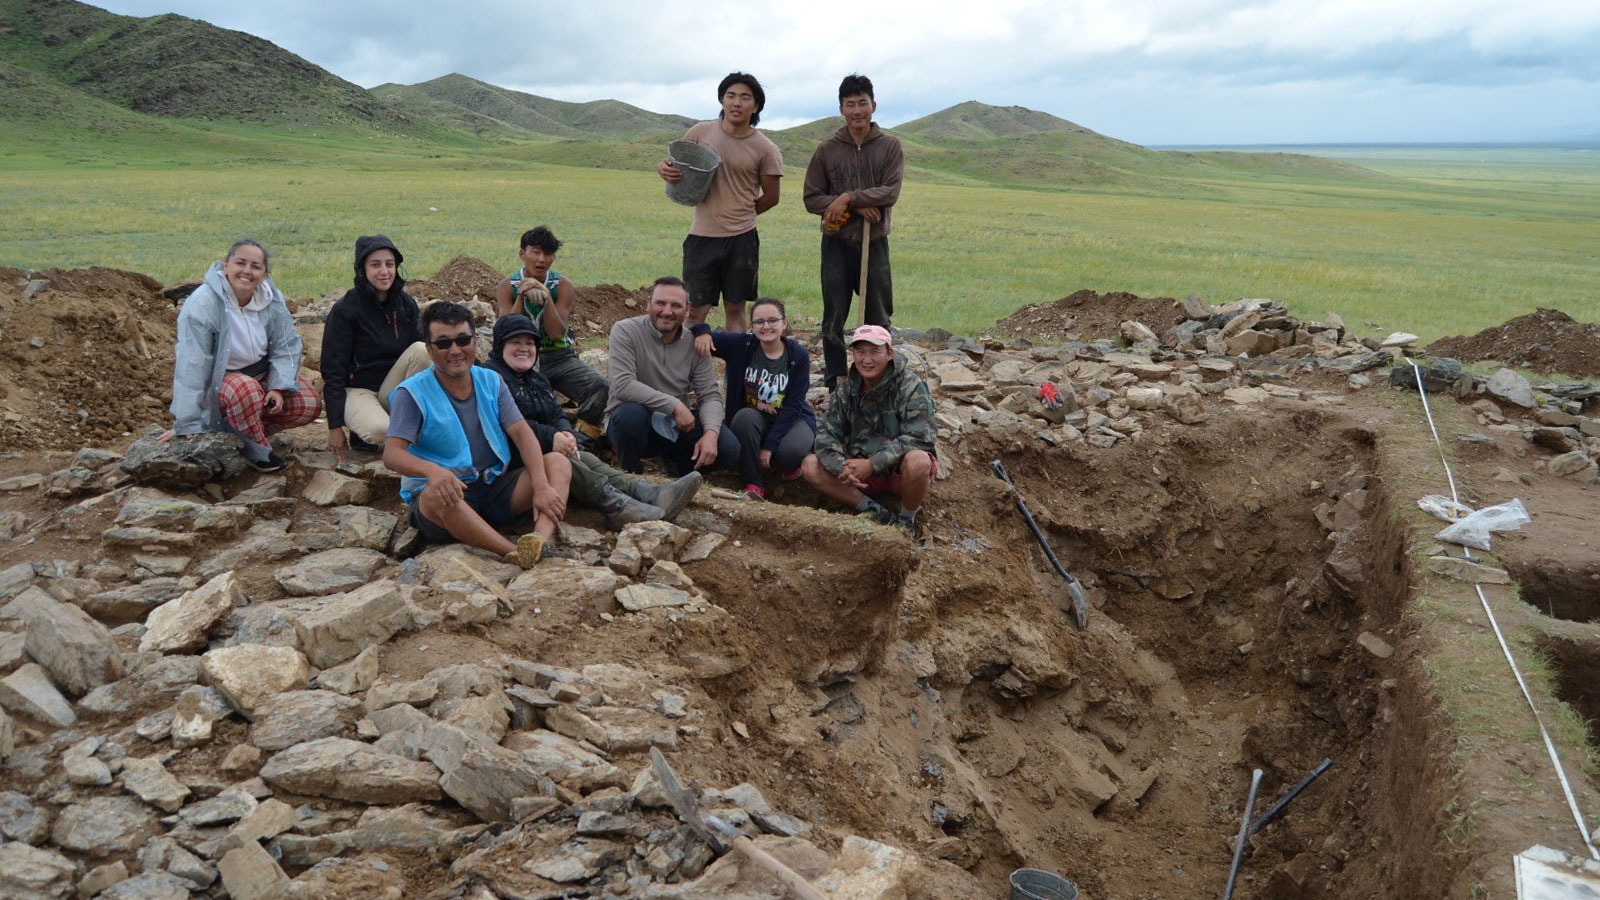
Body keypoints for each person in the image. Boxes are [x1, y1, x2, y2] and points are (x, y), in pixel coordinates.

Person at [383, 302, 571, 567]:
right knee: (435, 495)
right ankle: (514, 553)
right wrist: (432, 471)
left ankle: (539, 541)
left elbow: (522, 432)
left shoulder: (490, 380)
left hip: (492, 484)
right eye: (444, 343)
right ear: (429, 349)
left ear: (475, 341)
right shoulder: (411, 393)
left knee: (558, 463)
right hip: (448, 496)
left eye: (463, 340)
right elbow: (392, 454)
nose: (455, 350)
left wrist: (540, 486)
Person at [487, 314, 703, 529]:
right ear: (499, 346)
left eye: (530, 343)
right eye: (515, 342)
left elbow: (555, 414)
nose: (524, 348)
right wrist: (551, 437)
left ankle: (647, 492)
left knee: (584, 457)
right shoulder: (490, 378)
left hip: (537, 451)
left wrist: (565, 432)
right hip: (507, 467)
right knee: (564, 459)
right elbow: (511, 426)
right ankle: (616, 506)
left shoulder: (536, 379)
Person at [164, 239, 321, 472]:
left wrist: (278, 387)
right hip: (221, 382)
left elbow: (285, 345)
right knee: (245, 390)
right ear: (225, 265)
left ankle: (239, 432)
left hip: (259, 372)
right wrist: (188, 421)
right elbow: (193, 363)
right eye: (240, 263)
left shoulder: (271, 298)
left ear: (264, 274)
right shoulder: (203, 304)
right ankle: (256, 451)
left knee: (309, 403)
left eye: (255, 266)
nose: (247, 271)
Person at [656, 72, 782, 334]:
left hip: (742, 239)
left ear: (756, 106)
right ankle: (689, 361)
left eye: (745, 97)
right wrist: (663, 168)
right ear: (722, 100)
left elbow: (772, 197)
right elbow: (675, 162)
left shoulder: (765, 148)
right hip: (701, 236)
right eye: (730, 96)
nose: (737, 103)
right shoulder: (701, 132)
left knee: (735, 309)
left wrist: (742, 214)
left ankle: (734, 361)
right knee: (695, 310)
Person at [802, 74, 904, 388]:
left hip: (875, 242)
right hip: (836, 241)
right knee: (833, 315)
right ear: (841, 109)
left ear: (874, 105)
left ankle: (879, 378)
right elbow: (811, 198)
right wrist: (855, 206)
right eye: (850, 104)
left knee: (878, 315)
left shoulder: (889, 146)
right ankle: (837, 379)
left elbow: (890, 192)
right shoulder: (827, 149)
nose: (857, 110)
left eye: (862, 103)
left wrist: (848, 197)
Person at [801, 325, 937, 537]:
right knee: (810, 465)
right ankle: (875, 512)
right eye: (860, 352)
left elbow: (920, 437)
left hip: (897, 472)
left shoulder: (911, 386)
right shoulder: (846, 390)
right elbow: (826, 434)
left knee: (919, 461)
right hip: (858, 473)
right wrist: (841, 467)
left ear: (889, 353)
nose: (867, 360)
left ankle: (906, 519)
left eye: (875, 352)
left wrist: (872, 464)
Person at [605, 277, 738, 477]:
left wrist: (711, 433)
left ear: (687, 309)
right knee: (629, 416)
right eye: (660, 303)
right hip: (636, 423)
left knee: (729, 448)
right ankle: (632, 477)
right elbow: (623, 385)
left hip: (676, 426)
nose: (667, 311)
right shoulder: (625, 330)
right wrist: (674, 405)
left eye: (676, 305)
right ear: (648, 303)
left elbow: (710, 395)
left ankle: (682, 474)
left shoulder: (695, 343)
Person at [492, 226, 609, 445]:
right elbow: (505, 332)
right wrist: (522, 297)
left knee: (600, 387)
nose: (541, 259)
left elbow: (556, 333)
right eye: (535, 252)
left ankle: (582, 439)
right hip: (518, 360)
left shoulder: (562, 285)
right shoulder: (507, 286)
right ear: (522, 254)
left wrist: (547, 299)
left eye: (548, 254)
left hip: (557, 358)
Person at [690, 298, 816, 500]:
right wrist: (703, 331)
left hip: (791, 418)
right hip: (755, 418)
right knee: (743, 418)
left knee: (791, 452)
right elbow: (697, 331)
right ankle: (753, 483)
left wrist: (769, 446)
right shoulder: (742, 345)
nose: (766, 326)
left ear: (784, 323)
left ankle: (787, 465)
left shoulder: (797, 355)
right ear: (752, 326)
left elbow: (793, 406)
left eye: (773, 320)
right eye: (759, 321)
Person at [321, 234, 430, 459]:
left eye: (389, 264)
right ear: (362, 269)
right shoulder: (345, 310)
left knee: (422, 350)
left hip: (392, 390)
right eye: (375, 265)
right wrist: (334, 426)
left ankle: (410, 422)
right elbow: (333, 369)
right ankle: (361, 429)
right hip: (358, 389)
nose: (384, 271)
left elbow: (422, 361)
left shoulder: (406, 304)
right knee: (380, 431)